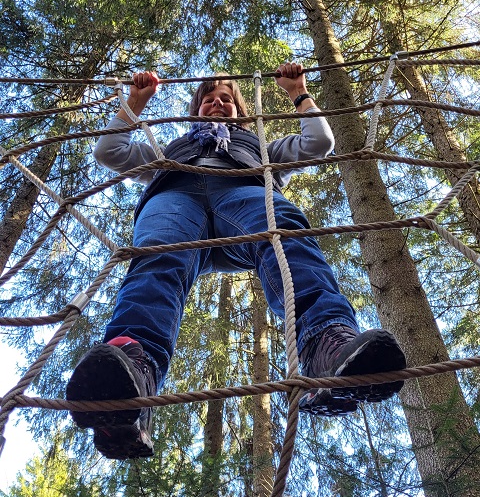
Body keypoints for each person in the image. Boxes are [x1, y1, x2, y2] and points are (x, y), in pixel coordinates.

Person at [66, 63, 406, 459]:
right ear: (196, 109)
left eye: (226, 99)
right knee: (157, 258)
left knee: (286, 233)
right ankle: (132, 372)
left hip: (242, 194)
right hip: (177, 196)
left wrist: (298, 92)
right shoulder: (168, 149)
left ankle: (326, 343)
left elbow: (319, 143)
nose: (217, 103)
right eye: (209, 99)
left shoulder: (258, 144)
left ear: (239, 110)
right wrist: (135, 103)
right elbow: (110, 151)